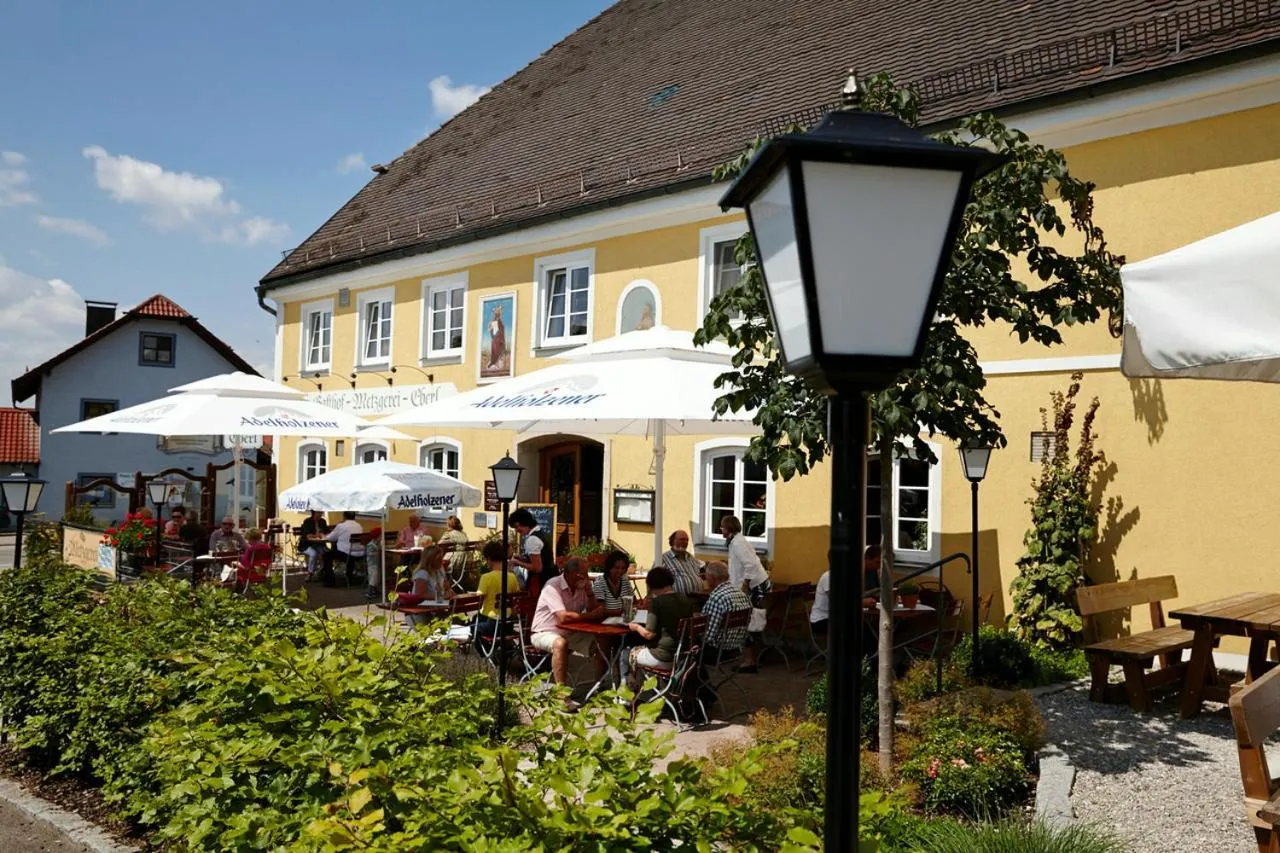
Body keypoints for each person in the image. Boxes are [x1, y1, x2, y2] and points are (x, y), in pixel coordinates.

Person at [530, 557, 606, 690]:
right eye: (583, 574)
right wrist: (590, 615)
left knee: (603, 641)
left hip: (570, 632)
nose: (587, 577)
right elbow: (563, 617)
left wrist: (590, 593)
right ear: (572, 573)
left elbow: (593, 610)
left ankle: (600, 686)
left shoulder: (581, 586)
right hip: (544, 632)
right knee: (560, 644)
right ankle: (561, 693)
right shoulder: (553, 586)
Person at [622, 565, 695, 689]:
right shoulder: (684, 599)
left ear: (651, 585)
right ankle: (648, 690)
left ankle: (625, 693)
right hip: (682, 656)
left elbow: (649, 634)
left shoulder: (658, 602)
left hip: (663, 657)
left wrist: (635, 627)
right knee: (638, 648)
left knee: (625, 653)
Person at [702, 561, 752, 661]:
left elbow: (708, 636)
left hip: (717, 650)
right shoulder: (742, 594)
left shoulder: (717, 598)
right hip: (737, 647)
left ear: (712, 578)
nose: (705, 580)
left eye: (706, 577)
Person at [474, 539, 522, 643]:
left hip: (491, 624)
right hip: (508, 624)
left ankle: (484, 651)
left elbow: (479, 600)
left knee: (471, 627)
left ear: (489, 559)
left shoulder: (486, 577)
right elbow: (516, 597)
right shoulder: (512, 577)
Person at [510, 508, 557, 597]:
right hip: (550, 577)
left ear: (524, 523)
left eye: (516, 526)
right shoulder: (540, 533)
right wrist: (523, 559)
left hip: (540, 581)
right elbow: (542, 558)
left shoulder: (532, 540)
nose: (516, 530)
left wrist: (518, 563)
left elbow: (537, 568)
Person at [323, 511, 366, 586]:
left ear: (344, 516)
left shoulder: (341, 526)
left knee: (326, 555)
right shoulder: (359, 526)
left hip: (346, 554)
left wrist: (323, 536)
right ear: (354, 517)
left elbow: (330, 538)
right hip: (359, 554)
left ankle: (330, 580)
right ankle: (349, 577)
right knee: (348, 552)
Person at [660, 530, 703, 596]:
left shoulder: (691, 558)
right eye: (682, 539)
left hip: (697, 598)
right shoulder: (663, 559)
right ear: (673, 541)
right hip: (677, 599)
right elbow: (653, 579)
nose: (685, 542)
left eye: (687, 540)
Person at [295, 510, 330, 581]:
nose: (321, 514)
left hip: (318, 544)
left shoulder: (323, 521)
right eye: (319, 512)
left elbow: (327, 532)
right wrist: (318, 535)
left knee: (326, 553)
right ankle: (310, 573)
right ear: (314, 513)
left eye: (321, 512)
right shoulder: (307, 521)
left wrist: (324, 535)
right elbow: (308, 536)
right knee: (313, 553)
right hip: (306, 545)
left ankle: (322, 572)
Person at [487, 304, 506, 371]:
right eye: (497, 313)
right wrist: (494, 335)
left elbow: (501, 330)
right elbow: (491, 330)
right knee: (495, 352)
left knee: (499, 352)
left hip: (499, 339)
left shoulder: (499, 322)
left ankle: (496, 364)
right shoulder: (494, 322)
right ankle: (493, 364)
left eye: (499, 313)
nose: (498, 314)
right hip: (496, 339)